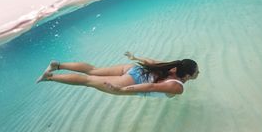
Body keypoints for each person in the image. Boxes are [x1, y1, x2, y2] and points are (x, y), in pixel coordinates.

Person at [36, 52, 199, 97]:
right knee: (88, 80)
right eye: (197, 72)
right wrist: (123, 90)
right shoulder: (177, 88)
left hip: (133, 69)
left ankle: (57, 65)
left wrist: (135, 58)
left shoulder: (174, 67)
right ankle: (49, 77)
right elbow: (151, 86)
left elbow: (152, 62)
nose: (199, 73)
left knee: (92, 70)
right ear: (189, 75)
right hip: (133, 80)